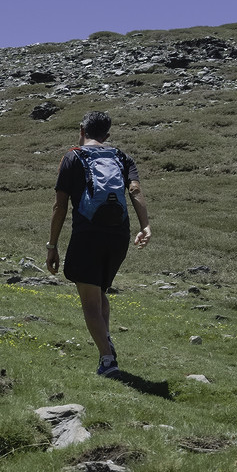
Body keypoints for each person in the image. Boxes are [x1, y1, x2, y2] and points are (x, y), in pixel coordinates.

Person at [45, 111, 151, 378]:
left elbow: (60, 205)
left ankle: (107, 359)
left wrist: (52, 244)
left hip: (88, 234)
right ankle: (106, 341)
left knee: (90, 301)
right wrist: (145, 226)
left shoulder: (72, 157)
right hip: (119, 236)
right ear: (107, 135)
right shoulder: (121, 157)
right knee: (99, 291)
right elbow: (135, 190)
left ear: (82, 130)